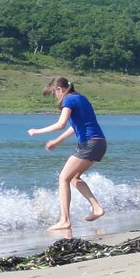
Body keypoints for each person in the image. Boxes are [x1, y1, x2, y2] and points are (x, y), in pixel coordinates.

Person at [27, 76, 106, 230]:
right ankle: (97, 208)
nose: (54, 97)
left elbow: (61, 124)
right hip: (99, 143)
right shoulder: (80, 98)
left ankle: (65, 220)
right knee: (74, 178)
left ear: (60, 89)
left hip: (89, 143)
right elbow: (74, 127)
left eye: (54, 93)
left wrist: (37, 131)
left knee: (63, 178)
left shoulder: (68, 100)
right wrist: (57, 141)